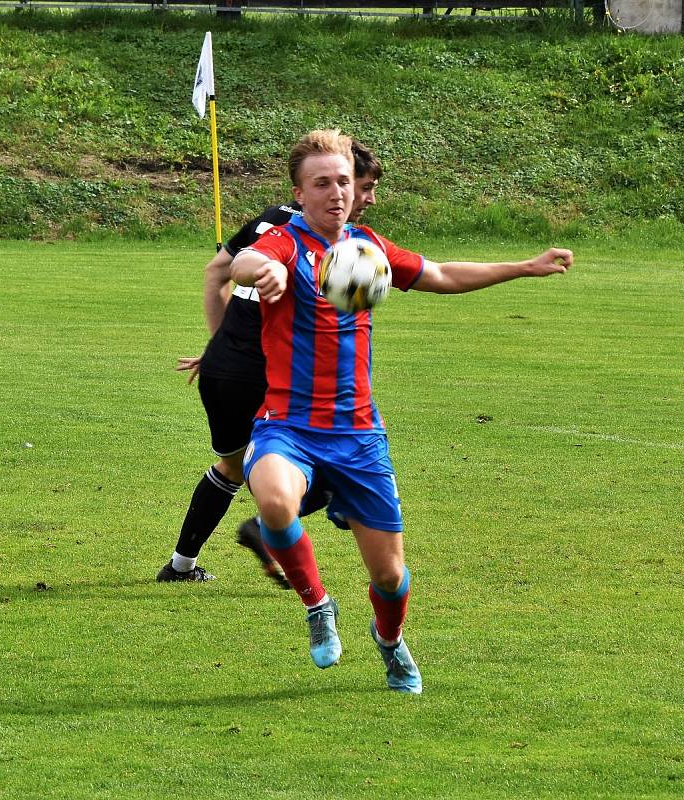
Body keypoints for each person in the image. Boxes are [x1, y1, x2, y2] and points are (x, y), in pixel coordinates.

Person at [230, 129, 573, 694]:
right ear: (299, 191)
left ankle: (389, 642)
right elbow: (247, 261)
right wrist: (259, 272)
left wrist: (524, 266)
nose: (336, 192)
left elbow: (437, 275)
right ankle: (318, 605)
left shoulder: (367, 248)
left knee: (389, 578)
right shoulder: (284, 245)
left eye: (343, 181)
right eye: (322, 183)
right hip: (287, 425)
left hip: (359, 434)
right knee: (273, 503)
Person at [156, 142, 383, 586]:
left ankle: (181, 566)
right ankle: (265, 528)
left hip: (226, 368)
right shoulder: (316, 241)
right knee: (339, 463)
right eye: (365, 187)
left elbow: (216, 272)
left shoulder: (275, 217)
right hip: (267, 375)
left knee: (233, 467)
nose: (369, 198)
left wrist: (221, 344)